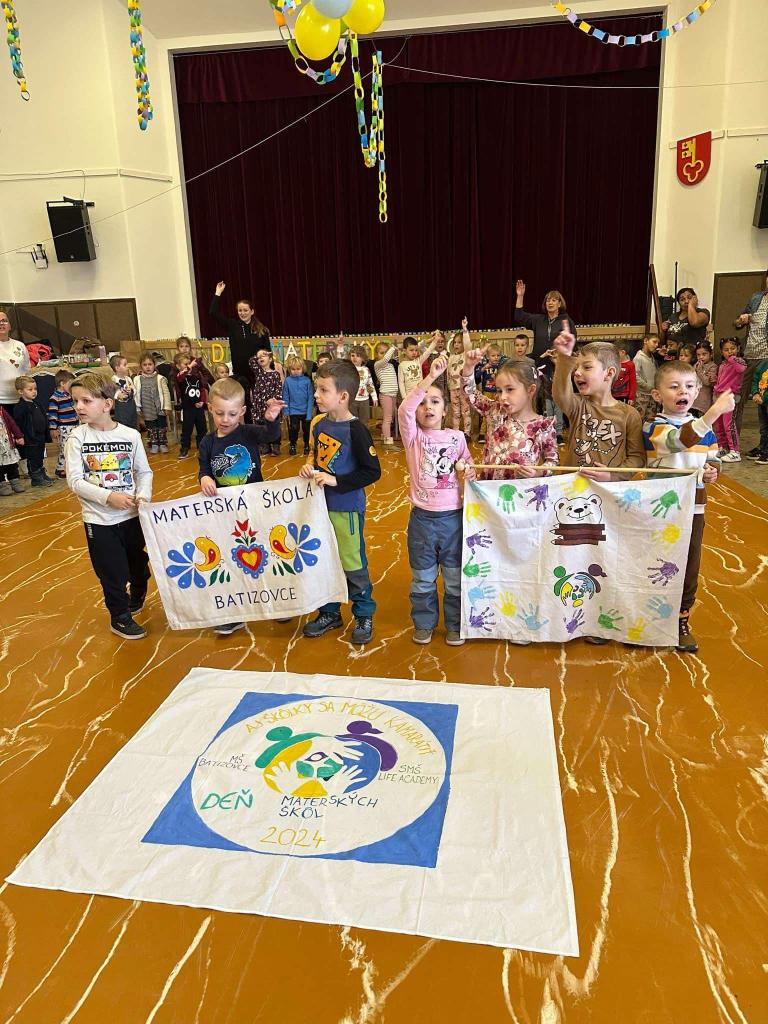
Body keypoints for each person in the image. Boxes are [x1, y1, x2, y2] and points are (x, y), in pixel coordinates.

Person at [645, 361, 732, 653]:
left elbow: (713, 458)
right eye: (674, 386)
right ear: (657, 395)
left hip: (694, 509)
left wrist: (712, 471)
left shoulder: (704, 428)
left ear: (696, 393)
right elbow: (678, 441)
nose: (683, 391)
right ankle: (646, 613)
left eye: (689, 386)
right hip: (660, 510)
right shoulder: (655, 427)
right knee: (655, 561)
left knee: (689, 565)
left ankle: (681, 619)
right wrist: (712, 413)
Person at [300, 359, 381, 645]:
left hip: (346, 509)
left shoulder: (356, 430)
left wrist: (337, 481)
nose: (316, 395)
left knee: (352, 562)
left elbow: (372, 471)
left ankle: (364, 613)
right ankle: (329, 612)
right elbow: (318, 459)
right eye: (317, 389)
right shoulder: (319, 425)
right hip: (320, 508)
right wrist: (309, 468)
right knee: (324, 561)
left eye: (323, 390)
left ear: (343, 396)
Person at [65, 374, 152, 640]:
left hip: (132, 517)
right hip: (99, 520)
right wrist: (108, 497)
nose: (78, 407)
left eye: (86, 401)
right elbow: (75, 481)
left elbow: (144, 472)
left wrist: (143, 496)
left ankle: (138, 591)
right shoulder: (76, 438)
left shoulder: (131, 435)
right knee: (112, 572)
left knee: (138, 565)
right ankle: (120, 617)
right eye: (75, 401)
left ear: (107, 404)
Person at [198, 376, 284, 636]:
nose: (225, 419)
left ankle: (277, 601)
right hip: (226, 512)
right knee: (230, 558)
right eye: (220, 413)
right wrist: (205, 478)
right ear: (210, 409)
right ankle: (235, 612)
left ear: (242, 411)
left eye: (232, 414)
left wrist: (271, 418)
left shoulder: (247, 432)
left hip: (255, 507)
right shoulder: (207, 442)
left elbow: (271, 435)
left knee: (265, 553)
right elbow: (204, 467)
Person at [398, 355, 473, 646]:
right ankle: (424, 623)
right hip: (422, 521)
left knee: (454, 579)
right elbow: (404, 408)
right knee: (423, 578)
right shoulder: (413, 437)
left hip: (453, 519)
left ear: (445, 409)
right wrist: (429, 378)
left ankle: (455, 625)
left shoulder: (458, 437)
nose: (427, 407)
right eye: (423, 402)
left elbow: (470, 466)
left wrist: (469, 470)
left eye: (435, 401)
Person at [552, 333, 646, 477]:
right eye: (576, 368)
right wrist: (564, 359)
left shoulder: (630, 414)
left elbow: (637, 458)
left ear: (609, 374)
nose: (577, 373)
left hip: (607, 488)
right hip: (572, 485)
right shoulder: (578, 405)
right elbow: (560, 394)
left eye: (587, 367)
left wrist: (612, 476)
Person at [462, 351, 558, 479]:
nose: (502, 397)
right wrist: (468, 367)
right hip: (488, 487)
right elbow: (470, 394)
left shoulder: (543, 426)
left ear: (530, 390)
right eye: (499, 390)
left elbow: (552, 461)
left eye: (510, 389)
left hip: (520, 489)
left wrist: (537, 472)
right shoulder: (494, 410)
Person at [514, 281, 575, 437]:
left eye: (554, 300)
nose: (550, 302)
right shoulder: (538, 320)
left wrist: (558, 353)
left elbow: (571, 341)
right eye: (548, 300)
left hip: (557, 366)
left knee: (557, 400)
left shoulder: (566, 321)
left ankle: (558, 433)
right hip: (540, 366)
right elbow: (519, 317)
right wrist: (520, 296)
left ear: (560, 303)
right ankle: (540, 431)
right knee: (539, 400)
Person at [209, 281, 271, 387]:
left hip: (258, 374)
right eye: (240, 310)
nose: (242, 313)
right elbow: (213, 312)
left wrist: (269, 370)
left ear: (252, 311)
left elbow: (268, 352)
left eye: (245, 310)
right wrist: (218, 292)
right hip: (240, 375)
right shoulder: (233, 325)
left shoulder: (262, 330)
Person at [735, 270, 768, 438]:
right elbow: (737, 322)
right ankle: (733, 443)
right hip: (749, 355)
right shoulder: (756, 298)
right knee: (737, 398)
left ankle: (764, 446)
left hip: (766, 357)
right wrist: (742, 320)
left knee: (764, 403)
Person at [13, 375, 52, 487]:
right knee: (33, 458)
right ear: (20, 391)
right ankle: (35, 477)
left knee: (40, 456)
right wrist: (20, 436)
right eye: (30, 389)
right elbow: (18, 424)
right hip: (30, 438)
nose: (34, 392)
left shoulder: (36, 403)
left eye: (35, 389)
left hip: (40, 436)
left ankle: (41, 473)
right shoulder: (20, 407)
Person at [712, 337, 747, 462]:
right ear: (722, 352)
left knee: (729, 424)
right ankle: (723, 447)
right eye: (726, 350)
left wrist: (732, 359)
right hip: (719, 396)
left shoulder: (739, 361)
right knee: (719, 424)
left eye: (733, 348)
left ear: (738, 349)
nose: (730, 352)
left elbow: (741, 369)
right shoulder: (722, 364)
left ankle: (735, 451)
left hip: (730, 397)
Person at [133, 352, 172, 454]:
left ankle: (162, 443)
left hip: (159, 407)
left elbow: (166, 393)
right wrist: (138, 408)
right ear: (141, 366)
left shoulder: (160, 378)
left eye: (150, 364)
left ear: (154, 365)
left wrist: (167, 406)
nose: (148, 367)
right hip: (147, 408)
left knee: (161, 425)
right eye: (145, 365)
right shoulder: (137, 379)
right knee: (151, 426)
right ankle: (154, 443)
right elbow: (136, 394)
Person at [174, 352, 209, 458]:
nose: (189, 366)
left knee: (202, 428)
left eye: (189, 363)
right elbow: (180, 377)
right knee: (187, 430)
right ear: (178, 366)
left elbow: (202, 390)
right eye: (185, 364)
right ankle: (184, 448)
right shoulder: (180, 377)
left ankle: (202, 448)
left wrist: (202, 401)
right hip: (188, 408)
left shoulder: (196, 377)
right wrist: (189, 367)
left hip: (199, 408)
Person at [250, 348, 283, 456]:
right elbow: (251, 361)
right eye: (259, 357)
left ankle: (276, 446)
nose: (261, 358)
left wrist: (274, 400)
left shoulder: (275, 374)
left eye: (264, 356)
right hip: (259, 404)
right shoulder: (259, 372)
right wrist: (258, 355)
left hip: (271, 405)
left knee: (274, 425)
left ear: (270, 359)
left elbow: (278, 389)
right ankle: (265, 446)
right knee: (261, 425)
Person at [47, 369, 79, 478]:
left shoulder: (70, 395)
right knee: (65, 448)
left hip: (75, 425)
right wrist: (53, 429)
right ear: (62, 383)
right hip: (64, 427)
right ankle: (60, 468)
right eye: (70, 383)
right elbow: (53, 415)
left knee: (73, 447)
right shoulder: (55, 398)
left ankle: (71, 467)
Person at [282, 354, 314, 455]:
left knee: (307, 430)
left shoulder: (307, 381)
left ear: (302, 368)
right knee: (293, 429)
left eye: (298, 369)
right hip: (293, 411)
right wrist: (286, 411)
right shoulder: (287, 381)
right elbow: (285, 396)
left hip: (305, 411)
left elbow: (310, 398)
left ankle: (307, 445)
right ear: (289, 369)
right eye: (293, 369)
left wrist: (309, 414)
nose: (295, 371)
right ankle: (292, 444)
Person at [447, 319, 472, 440]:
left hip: (464, 388)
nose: (457, 345)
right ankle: (456, 433)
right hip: (453, 389)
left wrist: (465, 330)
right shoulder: (451, 357)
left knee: (465, 412)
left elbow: (468, 345)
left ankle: (467, 433)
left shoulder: (465, 355)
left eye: (459, 342)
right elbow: (448, 373)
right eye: (455, 343)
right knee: (455, 412)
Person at [0, 312, 29, 412]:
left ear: (9, 326)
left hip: (20, 399)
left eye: (4, 321)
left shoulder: (20, 345)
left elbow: (26, 369)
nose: (1, 324)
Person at [373, 341, 399, 448]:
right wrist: (392, 348)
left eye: (385, 352)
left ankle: (384, 437)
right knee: (387, 419)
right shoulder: (378, 364)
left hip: (393, 394)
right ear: (376, 354)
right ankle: (388, 443)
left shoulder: (390, 365)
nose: (384, 355)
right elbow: (385, 359)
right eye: (381, 353)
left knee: (390, 418)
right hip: (386, 394)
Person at [398, 336, 436, 400]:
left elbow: (429, 351)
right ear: (404, 351)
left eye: (416, 350)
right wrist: (404, 397)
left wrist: (435, 341)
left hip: (421, 393)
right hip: (409, 395)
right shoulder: (401, 365)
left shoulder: (418, 361)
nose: (414, 352)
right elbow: (401, 382)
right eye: (411, 350)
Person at [632, 334, 658, 422]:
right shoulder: (638, 358)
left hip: (652, 394)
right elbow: (635, 375)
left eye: (657, 343)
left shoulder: (652, 357)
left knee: (651, 419)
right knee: (639, 419)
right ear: (645, 341)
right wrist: (647, 386)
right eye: (654, 342)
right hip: (642, 395)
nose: (656, 345)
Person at [349, 345, 378, 425]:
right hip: (352, 400)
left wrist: (374, 397)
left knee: (364, 422)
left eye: (358, 356)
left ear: (363, 358)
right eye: (353, 355)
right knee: (353, 422)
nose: (355, 358)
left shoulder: (366, 370)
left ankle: (364, 433)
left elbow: (369, 384)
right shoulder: (348, 369)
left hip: (364, 400)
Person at [109, 354, 138, 429]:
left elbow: (134, 390)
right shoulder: (113, 380)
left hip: (131, 405)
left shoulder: (128, 379)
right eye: (125, 365)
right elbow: (110, 392)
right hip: (121, 408)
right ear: (117, 368)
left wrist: (131, 390)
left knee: (133, 422)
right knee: (123, 425)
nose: (127, 366)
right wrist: (117, 395)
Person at [0, 405, 24, 494]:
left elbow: (11, 423)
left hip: (7, 444)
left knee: (12, 465)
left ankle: (15, 482)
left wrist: (19, 435)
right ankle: (2, 485)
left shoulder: (1, 410)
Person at [749, 357, 768, 464]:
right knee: (764, 427)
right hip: (761, 401)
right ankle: (763, 448)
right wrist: (755, 393)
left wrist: (764, 398)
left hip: (764, 399)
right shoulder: (763, 364)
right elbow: (755, 379)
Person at [692, 342, 716, 416]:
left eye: (704, 354)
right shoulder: (697, 365)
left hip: (704, 401)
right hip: (693, 400)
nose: (701, 357)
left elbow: (707, 382)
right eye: (698, 355)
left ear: (711, 354)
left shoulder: (713, 366)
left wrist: (699, 371)